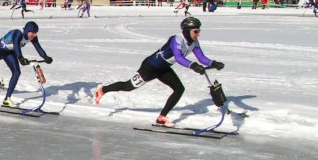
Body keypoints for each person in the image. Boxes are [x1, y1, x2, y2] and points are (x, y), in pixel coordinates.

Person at [93, 17, 224, 128]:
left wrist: (213, 63)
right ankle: (103, 90)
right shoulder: (176, 40)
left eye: (199, 31)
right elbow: (179, 58)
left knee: (179, 89)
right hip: (150, 67)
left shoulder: (194, 42)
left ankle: (162, 117)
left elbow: (202, 58)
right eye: (196, 31)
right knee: (128, 87)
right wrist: (193, 66)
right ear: (187, 31)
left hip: (164, 68)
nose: (198, 34)